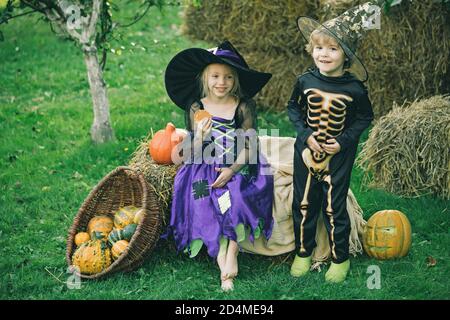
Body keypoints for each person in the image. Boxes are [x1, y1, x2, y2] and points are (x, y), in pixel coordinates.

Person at [163, 41, 274, 291]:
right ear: (204, 78)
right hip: (204, 166)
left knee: (235, 195)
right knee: (203, 197)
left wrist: (232, 170)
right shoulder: (197, 107)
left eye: (228, 77)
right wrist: (200, 137)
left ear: (235, 80)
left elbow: (249, 146)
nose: (221, 82)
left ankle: (231, 251)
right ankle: (221, 256)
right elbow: (190, 152)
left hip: (237, 165)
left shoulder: (243, 106)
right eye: (215, 76)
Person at [287, 1, 380, 282]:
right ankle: (303, 251)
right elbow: (293, 108)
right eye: (319, 48)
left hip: (337, 156)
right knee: (302, 203)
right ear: (311, 50)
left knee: (333, 206)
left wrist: (343, 141)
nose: (324, 54)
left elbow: (365, 118)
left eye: (332, 48)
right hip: (306, 151)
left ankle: (340, 258)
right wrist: (306, 135)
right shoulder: (304, 81)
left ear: (346, 55)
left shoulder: (355, 89)